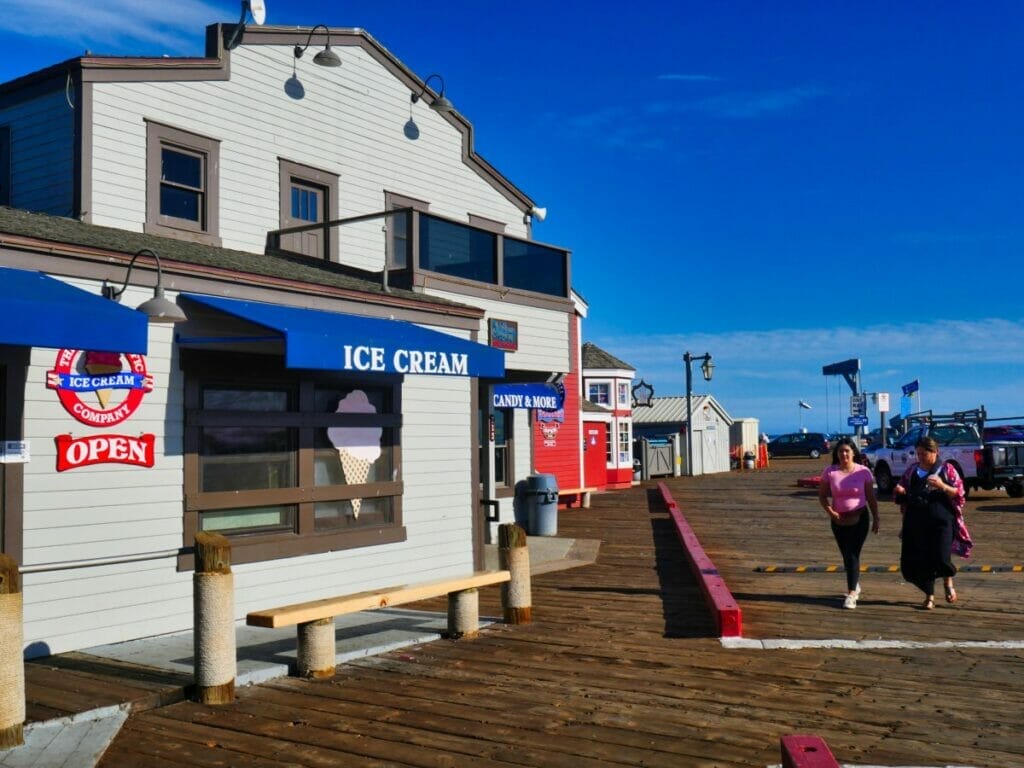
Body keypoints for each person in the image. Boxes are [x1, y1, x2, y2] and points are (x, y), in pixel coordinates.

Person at [893, 436, 973, 610]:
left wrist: (943, 486)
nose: (920, 457)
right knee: (919, 561)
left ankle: (948, 578)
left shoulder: (946, 469)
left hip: (942, 520)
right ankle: (929, 596)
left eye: (925, 453)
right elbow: (901, 494)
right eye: (918, 453)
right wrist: (900, 491)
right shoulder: (912, 470)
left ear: (936, 452)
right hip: (916, 521)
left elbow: (960, 494)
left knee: (941, 557)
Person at [818, 437, 880, 609]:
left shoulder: (863, 471)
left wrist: (876, 518)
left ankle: (852, 593)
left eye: (847, 451)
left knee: (853, 554)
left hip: (860, 517)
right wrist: (830, 512)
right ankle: (855, 582)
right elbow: (822, 496)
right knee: (846, 555)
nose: (843, 454)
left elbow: (871, 498)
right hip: (838, 519)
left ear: (853, 453)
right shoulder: (830, 472)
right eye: (840, 451)